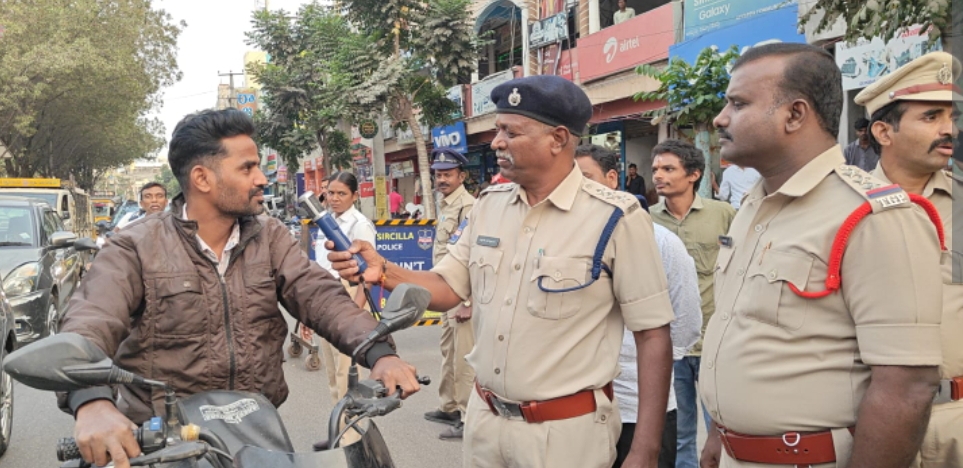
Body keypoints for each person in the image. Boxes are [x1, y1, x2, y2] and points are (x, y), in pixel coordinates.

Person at [328, 75, 675, 468]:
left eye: (510, 131)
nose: (496, 142)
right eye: (497, 130)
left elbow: (652, 334)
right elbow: (446, 285)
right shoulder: (488, 206)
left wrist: (645, 450)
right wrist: (384, 271)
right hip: (485, 424)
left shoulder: (616, 218)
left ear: (558, 139)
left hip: (566, 435)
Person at [57, 109, 420, 468]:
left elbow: (319, 295)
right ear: (202, 178)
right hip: (160, 445)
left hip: (257, 437)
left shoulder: (270, 235)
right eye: (247, 168)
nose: (261, 178)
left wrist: (380, 353)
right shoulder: (135, 246)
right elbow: (89, 323)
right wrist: (92, 403)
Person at [701, 43, 942, 468]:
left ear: (795, 114)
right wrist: (722, 437)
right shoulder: (753, 208)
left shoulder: (872, 215)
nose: (720, 118)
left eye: (738, 103)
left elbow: (907, 386)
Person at [855, 51, 963, 468]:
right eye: (931, 117)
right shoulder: (842, 208)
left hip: (956, 421)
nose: (948, 129)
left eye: (950, 116)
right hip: (869, 424)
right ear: (883, 130)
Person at [575, 144, 702, 468]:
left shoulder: (660, 242)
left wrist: (646, 363)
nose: (576, 188)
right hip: (578, 414)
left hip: (639, 410)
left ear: (612, 178)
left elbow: (685, 327)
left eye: (585, 177)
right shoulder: (564, 243)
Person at [648, 139, 735, 468]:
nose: (658, 175)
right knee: (680, 426)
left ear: (694, 174)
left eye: (668, 169)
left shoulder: (723, 215)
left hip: (717, 338)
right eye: (655, 169)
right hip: (670, 342)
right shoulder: (643, 220)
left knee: (721, 426)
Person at [423, 147, 477, 440]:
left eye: (447, 174)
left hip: (460, 295)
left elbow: (471, 256)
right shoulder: (446, 204)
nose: (441, 179)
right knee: (448, 350)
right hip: (446, 291)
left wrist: (467, 301)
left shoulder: (468, 207)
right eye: (438, 174)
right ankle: (449, 405)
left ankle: (468, 417)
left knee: (464, 358)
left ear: (462, 176)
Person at [312, 172, 378, 403]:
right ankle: (337, 428)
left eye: (342, 193)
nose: (335, 198)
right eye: (331, 193)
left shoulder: (360, 225)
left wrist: (354, 311)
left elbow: (369, 273)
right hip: (324, 293)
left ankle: (350, 433)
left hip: (349, 295)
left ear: (354, 196)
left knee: (346, 370)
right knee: (332, 370)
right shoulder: (326, 222)